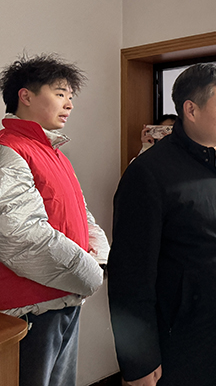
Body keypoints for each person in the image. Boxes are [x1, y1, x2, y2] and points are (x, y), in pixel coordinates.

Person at [108, 63, 216, 386]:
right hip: (182, 344)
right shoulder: (149, 173)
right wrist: (139, 359)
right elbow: (129, 276)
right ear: (191, 110)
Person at [0, 54, 109, 386]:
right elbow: (20, 234)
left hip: (64, 295)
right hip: (29, 307)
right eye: (60, 93)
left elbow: (82, 214)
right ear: (26, 96)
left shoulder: (53, 152)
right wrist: (90, 273)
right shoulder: (9, 149)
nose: (69, 104)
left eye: (70, 96)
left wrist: (100, 258)